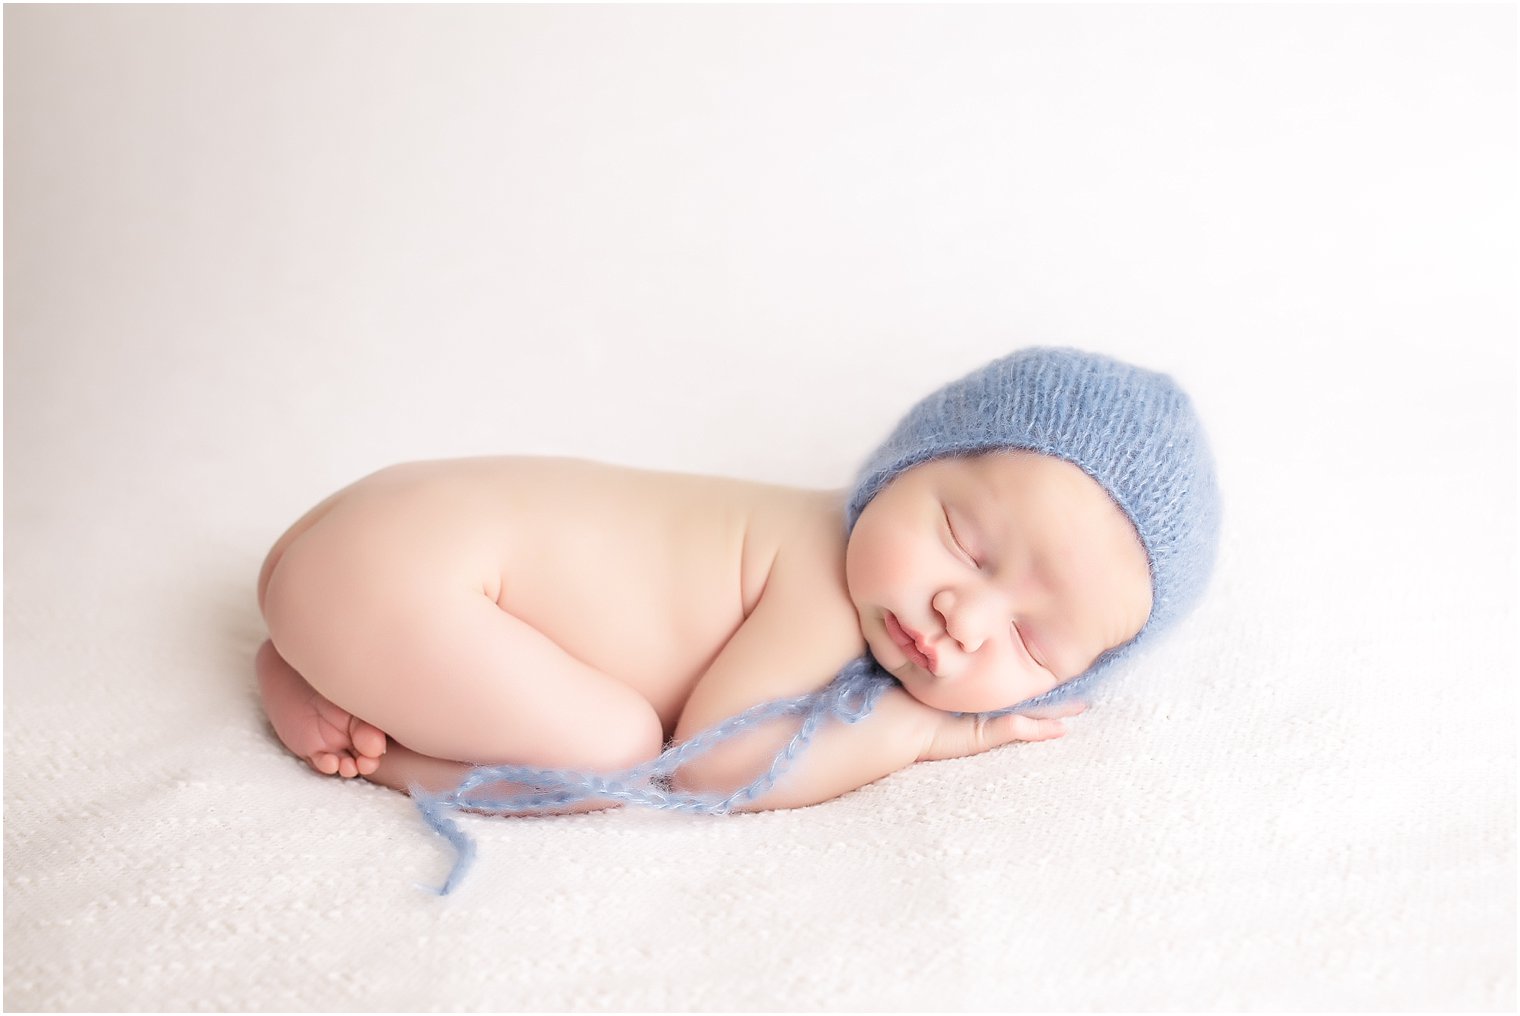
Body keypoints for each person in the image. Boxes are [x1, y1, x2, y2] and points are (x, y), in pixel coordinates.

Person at [255, 347, 1219, 887]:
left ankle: (322, 655)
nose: (962, 613)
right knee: (617, 753)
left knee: (602, 733)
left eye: (1028, 642)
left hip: (379, 540)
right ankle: (367, 735)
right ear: (909, 463)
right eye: (965, 542)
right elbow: (718, 759)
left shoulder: (847, 558)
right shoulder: (820, 574)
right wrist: (919, 732)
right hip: (406, 571)